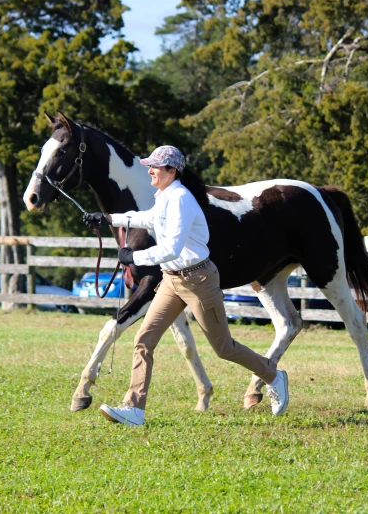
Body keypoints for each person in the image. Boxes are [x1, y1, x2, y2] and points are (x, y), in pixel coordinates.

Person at [82, 145, 288, 427]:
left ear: (172, 170)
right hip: (171, 280)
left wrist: (134, 256)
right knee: (144, 340)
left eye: (155, 166)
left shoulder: (180, 199)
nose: (150, 171)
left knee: (224, 348)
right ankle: (134, 409)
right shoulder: (165, 196)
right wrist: (107, 219)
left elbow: (171, 247)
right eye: (150, 166)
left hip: (198, 281)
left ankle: (273, 375)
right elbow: (147, 218)